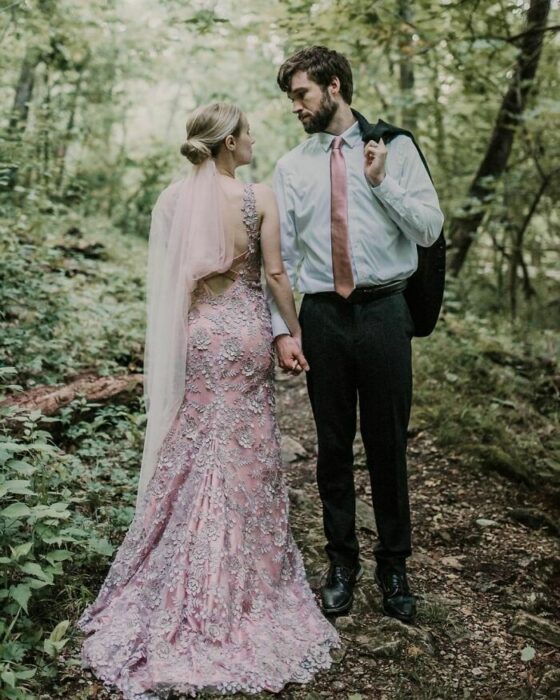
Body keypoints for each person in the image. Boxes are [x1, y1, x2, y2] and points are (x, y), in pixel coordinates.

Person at [76, 102, 339, 699]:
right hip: (245, 331)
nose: (253, 140)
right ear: (227, 143)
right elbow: (275, 276)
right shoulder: (258, 196)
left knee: (197, 442)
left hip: (200, 334)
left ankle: (179, 568)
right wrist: (292, 333)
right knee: (244, 449)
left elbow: (173, 285)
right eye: (246, 133)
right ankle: (240, 584)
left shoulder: (171, 201)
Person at [269, 46, 445, 624]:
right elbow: (282, 256)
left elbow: (429, 228)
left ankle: (394, 565)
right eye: (292, 97)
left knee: (388, 443)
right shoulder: (291, 166)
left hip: (384, 311)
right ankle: (341, 564)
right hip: (321, 315)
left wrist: (381, 183)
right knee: (333, 445)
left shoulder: (395, 147)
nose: (295, 106)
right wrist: (283, 330)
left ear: (335, 86)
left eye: (302, 94)